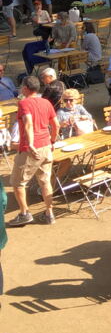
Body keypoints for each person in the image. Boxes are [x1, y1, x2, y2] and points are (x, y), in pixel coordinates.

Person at [6, 76, 59, 226]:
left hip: (31, 149)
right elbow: (56, 125)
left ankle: (24, 213)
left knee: (18, 183)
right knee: (45, 181)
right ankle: (49, 213)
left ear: (25, 88)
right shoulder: (46, 102)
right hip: (46, 146)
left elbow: (28, 124)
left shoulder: (24, 103)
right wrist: (52, 141)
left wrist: (30, 143)